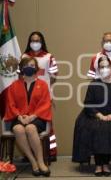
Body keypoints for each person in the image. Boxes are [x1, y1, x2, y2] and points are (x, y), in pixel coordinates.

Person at [72, 55, 111, 177]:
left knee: (108, 128)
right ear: (98, 69)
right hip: (94, 116)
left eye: (106, 66)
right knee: (98, 128)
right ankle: (99, 165)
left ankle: (105, 164)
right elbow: (88, 104)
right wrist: (100, 116)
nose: (104, 69)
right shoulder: (94, 84)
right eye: (101, 67)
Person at [4, 57, 52, 177]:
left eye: (32, 65)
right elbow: (11, 104)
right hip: (19, 117)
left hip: (37, 118)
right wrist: (19, 117)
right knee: (18, 129)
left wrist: (32, 117)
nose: (29, 67)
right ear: (21, 68)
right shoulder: (14, 85)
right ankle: (33, 161)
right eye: (26, 65)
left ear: (36, 68)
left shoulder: (43, 84)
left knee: (30, 128)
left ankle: (41, 162)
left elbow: (45, 103)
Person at [22, 31, 58, 161]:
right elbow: (20, 76)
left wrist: (46, 88)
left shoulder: (49, 57)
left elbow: (54, 77)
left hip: (44, 95)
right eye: (32, 40)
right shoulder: (24, 56)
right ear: (29, 42)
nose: (35, 43)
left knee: (47, 125)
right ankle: (30, 153)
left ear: (41, 42)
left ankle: (51, 152)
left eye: (37, 41)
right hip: (27, 95)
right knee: (28, 124)